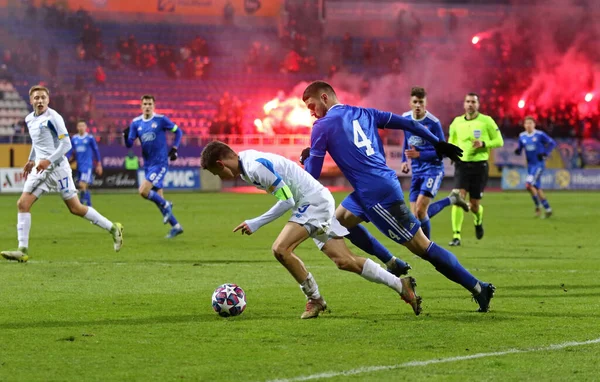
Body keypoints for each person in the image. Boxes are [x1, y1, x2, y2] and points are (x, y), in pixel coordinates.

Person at [300, 81, 495, 312]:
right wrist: (438, 143)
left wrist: (309, 157)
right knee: (340, 221)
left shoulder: (321, 125)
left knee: (423, 247)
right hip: (370, 188)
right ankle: (392, 262)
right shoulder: (365, 112)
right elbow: (408, 123)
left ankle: (479, 288)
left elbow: (311, 176)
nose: (311, 113)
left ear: (324, 98)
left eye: (312, 106)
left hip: (377, 195)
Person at [201, 141, 422, 319]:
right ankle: (401, 285)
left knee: (281, 249)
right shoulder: (246, 164)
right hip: (313, 202)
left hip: (313, 203)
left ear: (220, 164)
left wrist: (256, 222)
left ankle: (315, 299)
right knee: (344, 261)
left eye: (214, 172)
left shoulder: (254, 166)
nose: (218, 177)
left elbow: (286, 200)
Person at [1, 86, 123, 263]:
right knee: (22, 203)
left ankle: (113, 228)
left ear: (48, 100)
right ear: (31, 101)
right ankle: (22, 249)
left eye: (43, 97)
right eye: (36, 98)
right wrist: (31, 159)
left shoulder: (54, 118)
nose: (40, 101)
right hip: (40, 169)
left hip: (58, 169)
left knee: (76, 208)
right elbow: (37, 142)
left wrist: (48, 161)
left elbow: (66, 145)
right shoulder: (29, 119)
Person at [400, 87, 469, 239]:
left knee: (420, 210)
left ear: (426, 103)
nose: (418, 105)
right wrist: (404, 160)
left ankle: (427, 247)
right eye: (415, 102)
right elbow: (406, 139)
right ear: (410, 103)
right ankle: (452, 199)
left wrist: (420, 154)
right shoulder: (405, 117)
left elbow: (443, 151)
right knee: (415, 217)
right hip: (417, 171)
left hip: (433, 169)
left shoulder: (433, 123)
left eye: (421, 102)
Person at [124, 95, 184, 239]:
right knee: (158, 199)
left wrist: (175, 148)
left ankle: (167, 204)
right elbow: (129, 145)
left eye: (150, 104)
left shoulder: (161, 119)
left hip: (160, 163)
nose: (147, 106)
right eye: (145, 104)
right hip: (148, 164)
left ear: (154, 105)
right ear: (141, 106)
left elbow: (178, 132)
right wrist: (125, 137)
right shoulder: (135, 123)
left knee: (143, 191)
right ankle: (176, 226)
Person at [448, 93, 504, 246]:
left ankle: (478, 220)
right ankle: (456, 236)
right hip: (462, 165)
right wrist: (451, 153)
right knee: (458, 198)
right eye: (467, 101)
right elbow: (451, 141)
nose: (470, 104)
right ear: (464, 104)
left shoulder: (486, 121)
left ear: (478, 104)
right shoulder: (456, 122)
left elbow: (499, 141)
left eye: (473, 101)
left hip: (479, 166)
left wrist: (484, 143)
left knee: (474, 205)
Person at [514, 116, 556, 218]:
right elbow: (520, 147)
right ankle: (548, 209)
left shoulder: (540, 135)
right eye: (526, 123)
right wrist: (518, 151)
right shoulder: (522, 136)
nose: (528, 125)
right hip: (530, 165)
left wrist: (545, 153)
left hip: (539, 164)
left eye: (530, 123)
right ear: (524, 125)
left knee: (528, 184)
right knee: (537, 187)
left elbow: (552, 143)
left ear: (534, 124)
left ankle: (538, 206)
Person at [68, 120, 102, 206]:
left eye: (83, 126)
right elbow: (71, 151)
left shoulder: (90, 138)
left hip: (87, 165)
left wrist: (99, 164)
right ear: (77, 127)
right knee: (82, 186)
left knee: (82, 184)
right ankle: (83, 203)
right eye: (79, 126)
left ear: (86, 127)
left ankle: (87, 204)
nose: (81, 127)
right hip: (79, 165)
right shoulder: (74, 138)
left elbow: (96, 151)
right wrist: (66, 160)